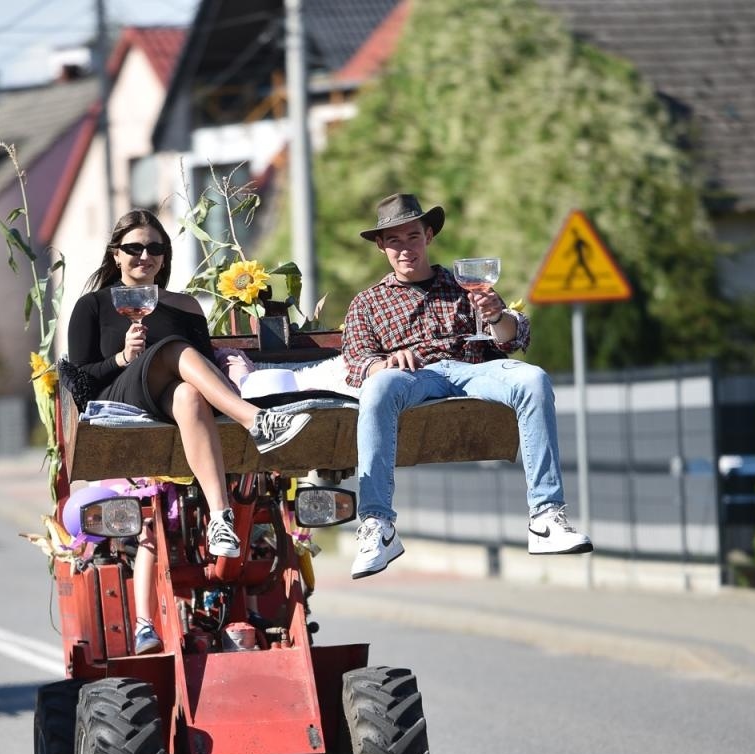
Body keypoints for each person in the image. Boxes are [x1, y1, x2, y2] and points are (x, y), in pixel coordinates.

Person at [342, 193, 592, 579]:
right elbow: (357, 362)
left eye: (412, 237)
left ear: (428, 236)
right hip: (413, 378)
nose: (405, 248)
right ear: (381, 246)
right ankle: (378, 525)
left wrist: (497, 316)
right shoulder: (367, 302)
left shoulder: (463, 285)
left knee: (534, 378)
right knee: (376, 387)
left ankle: (545, 517)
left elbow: (513, 338)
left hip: (471, 369)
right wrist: (386, 364)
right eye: (394, 240)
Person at [66, 209, 313, 560]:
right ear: (116, 253)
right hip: (120, 393)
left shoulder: (184, 305)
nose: (145, 256)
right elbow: (79, 379)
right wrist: (122, 358)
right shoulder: (93, 305)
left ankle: (220, 517)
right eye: (134, 248)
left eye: (155, 248)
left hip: (169, 398)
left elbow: (203, 367)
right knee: (173, 348)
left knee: (189, 394)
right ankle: (256, 420)